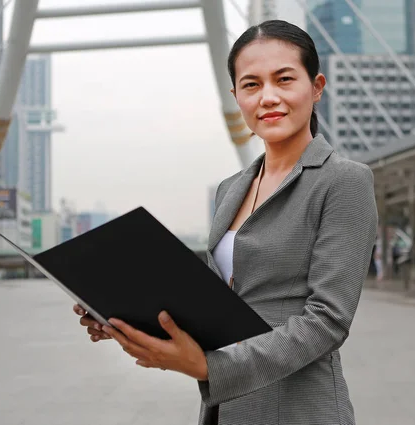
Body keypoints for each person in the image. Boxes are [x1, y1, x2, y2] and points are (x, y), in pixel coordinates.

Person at [73, 20, 378, 425]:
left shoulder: (343, 181)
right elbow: (214, 303)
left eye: (284, 79)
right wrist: (125, 315)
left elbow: (328, 320)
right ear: (236, 96)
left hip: (300, 409)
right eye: (251, 85)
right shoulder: (231, 188)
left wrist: (208, 367)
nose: (268, 97)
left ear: (316, 86)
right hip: (226, 410)